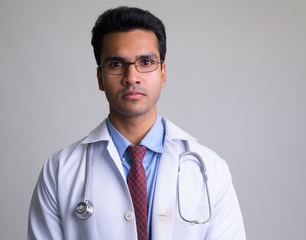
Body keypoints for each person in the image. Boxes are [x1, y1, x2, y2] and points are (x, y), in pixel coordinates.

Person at [28, 6, 246, 240]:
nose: (131, 77)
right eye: (116, 64)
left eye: (145, 62)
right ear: (100, 78)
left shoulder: (211, 169)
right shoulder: (60, 170)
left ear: (162, 73)